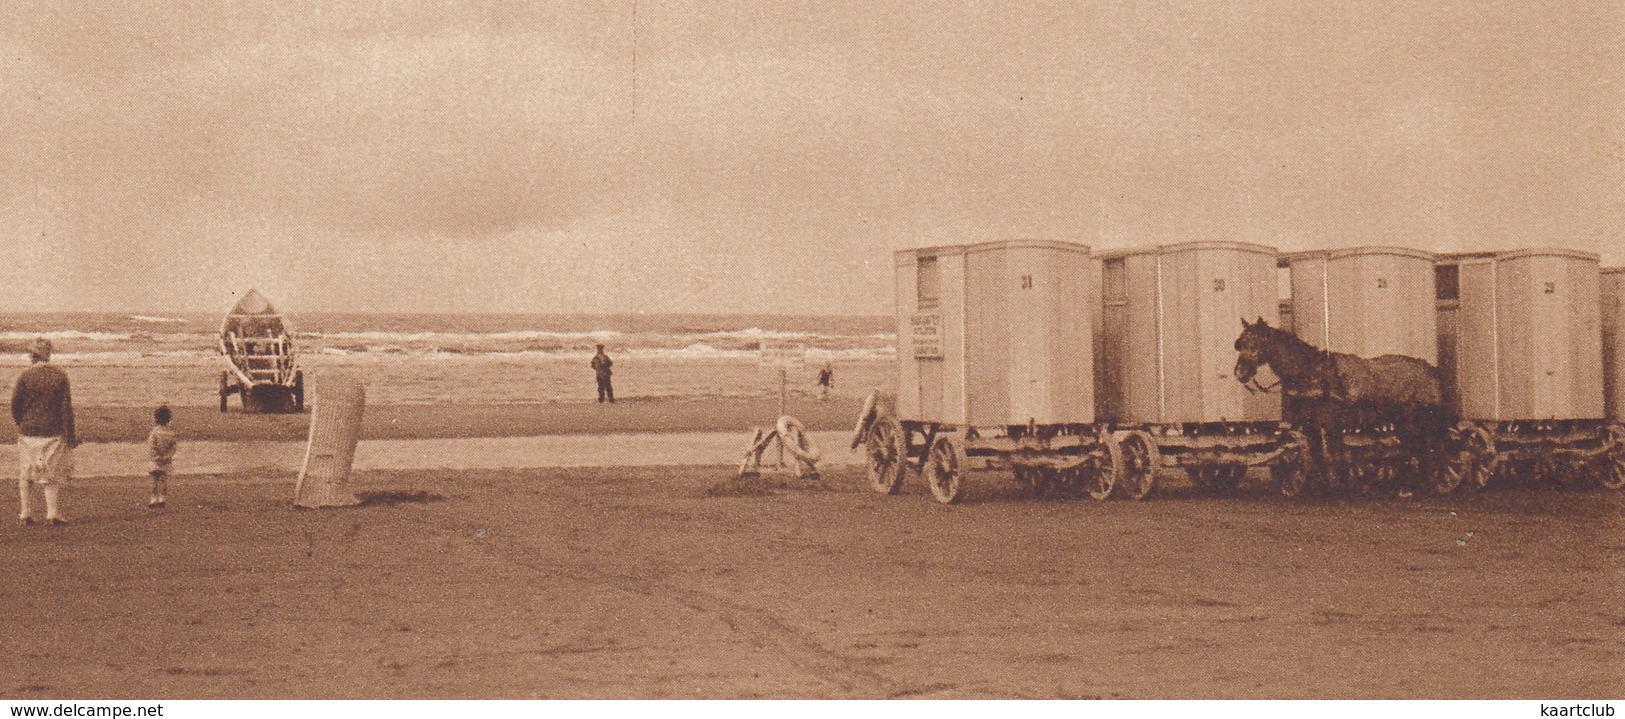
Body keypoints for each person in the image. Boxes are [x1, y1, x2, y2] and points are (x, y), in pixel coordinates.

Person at [11, 338, 77, 527]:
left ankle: (25, 512)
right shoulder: (60, 376)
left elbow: (15, 404)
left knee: (26, 471)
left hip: (28, 429)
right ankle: (52, 513)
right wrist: (71, 434)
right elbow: (66, 407)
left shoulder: (24, 376)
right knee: (51, 474)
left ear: (33, 355)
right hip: (53, 429)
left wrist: (20, 422)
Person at [147, 404, 178, 509]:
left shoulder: (154, 432)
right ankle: (162, 498)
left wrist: (155, 456)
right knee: (164, 480)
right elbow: (173, 446)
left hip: (155, 460)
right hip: (166, 461)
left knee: (154, 480)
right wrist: (167, 456)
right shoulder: (170, 433)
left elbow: (152, 445)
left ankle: (153, 498)